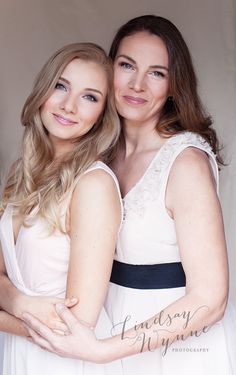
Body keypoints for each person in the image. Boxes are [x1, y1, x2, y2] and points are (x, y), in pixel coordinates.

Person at [21, 15, 236, 374]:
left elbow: (210, 300)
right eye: (127, 65)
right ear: (110, 70)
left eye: (157, 72)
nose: (137, 84)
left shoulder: (186, 162)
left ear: (173, 85)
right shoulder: (97, 153)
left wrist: (104, 350)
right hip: (105, 323)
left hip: (173, 347)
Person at [0, 42, 123, 374]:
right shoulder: (21, 172)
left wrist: (7, 310)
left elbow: (76, 328)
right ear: (43, 89)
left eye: (90, 97)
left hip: (64, 364)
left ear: (103, 114)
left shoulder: (93, 185)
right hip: (17, 353)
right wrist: (20, 302)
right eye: (61, 86)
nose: (69, 106)